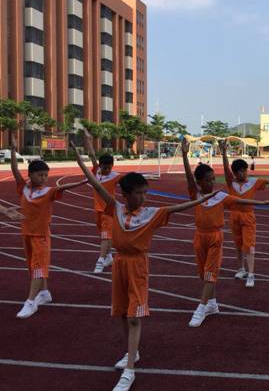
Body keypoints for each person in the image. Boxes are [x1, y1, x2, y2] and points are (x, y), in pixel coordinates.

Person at [71, 141, 217, 391]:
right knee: (121, 313)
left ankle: (129, 370)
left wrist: (205, 198)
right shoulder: (115, 207)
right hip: (119, 264)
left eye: (145, 193)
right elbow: (96, 184)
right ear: (126, 194)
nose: (143, 197)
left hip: (137, 266)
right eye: (139, 193)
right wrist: (79, 159)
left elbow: (177, 207)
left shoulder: (151, 214)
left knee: (134, 317)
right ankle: (132, 353)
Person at [182, 138, 269, 327]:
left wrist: (262, 203)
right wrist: (185, 155)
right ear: (199, 182)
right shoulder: (195, 194)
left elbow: (241, 201)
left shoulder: (220, 196)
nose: (212, 182)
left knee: (211, 273)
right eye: (208, 180)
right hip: (199, 237)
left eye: (213, 179)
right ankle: (212, 304)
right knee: (204, 275)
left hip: (215, 238)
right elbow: (188, 177)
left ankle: (201, 308)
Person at [11, 133, 87, 319]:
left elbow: (63, 188)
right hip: (26, 233)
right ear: (30, 175)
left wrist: (83, 181)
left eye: (46, 175)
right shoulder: (23, 188)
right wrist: (13, 150)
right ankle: (44, 293)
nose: (44, 178)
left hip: (41, 236)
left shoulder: (48, 191)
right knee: (32, 267)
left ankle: (31, 302)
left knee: (38, 268)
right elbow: (14, 169)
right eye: (40, 175)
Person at [220, 139, 269, 287]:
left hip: (248, 217)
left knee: (249, 246)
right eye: (241, 171)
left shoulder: (252, 182)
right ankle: (241, 269)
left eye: (245, 170)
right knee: (238, 245)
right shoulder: (231, 182)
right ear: (235, 173)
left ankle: (251, 274)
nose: (244, 173)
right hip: (234, 216)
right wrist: (223, 152)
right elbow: (226, 168)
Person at [83, 130, 123, 273]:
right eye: (104, 167)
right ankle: (109, 257)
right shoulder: (96, 172)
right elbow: (92, 155)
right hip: (97, 209)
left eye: (109, 167)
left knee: (106, 235)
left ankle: (101, 260)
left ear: (113, 166)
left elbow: (128, 182)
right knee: (103, 235)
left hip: (109, 210)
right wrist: (88, 139)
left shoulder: (115, 176)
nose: (107, 170)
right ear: (100, 166)